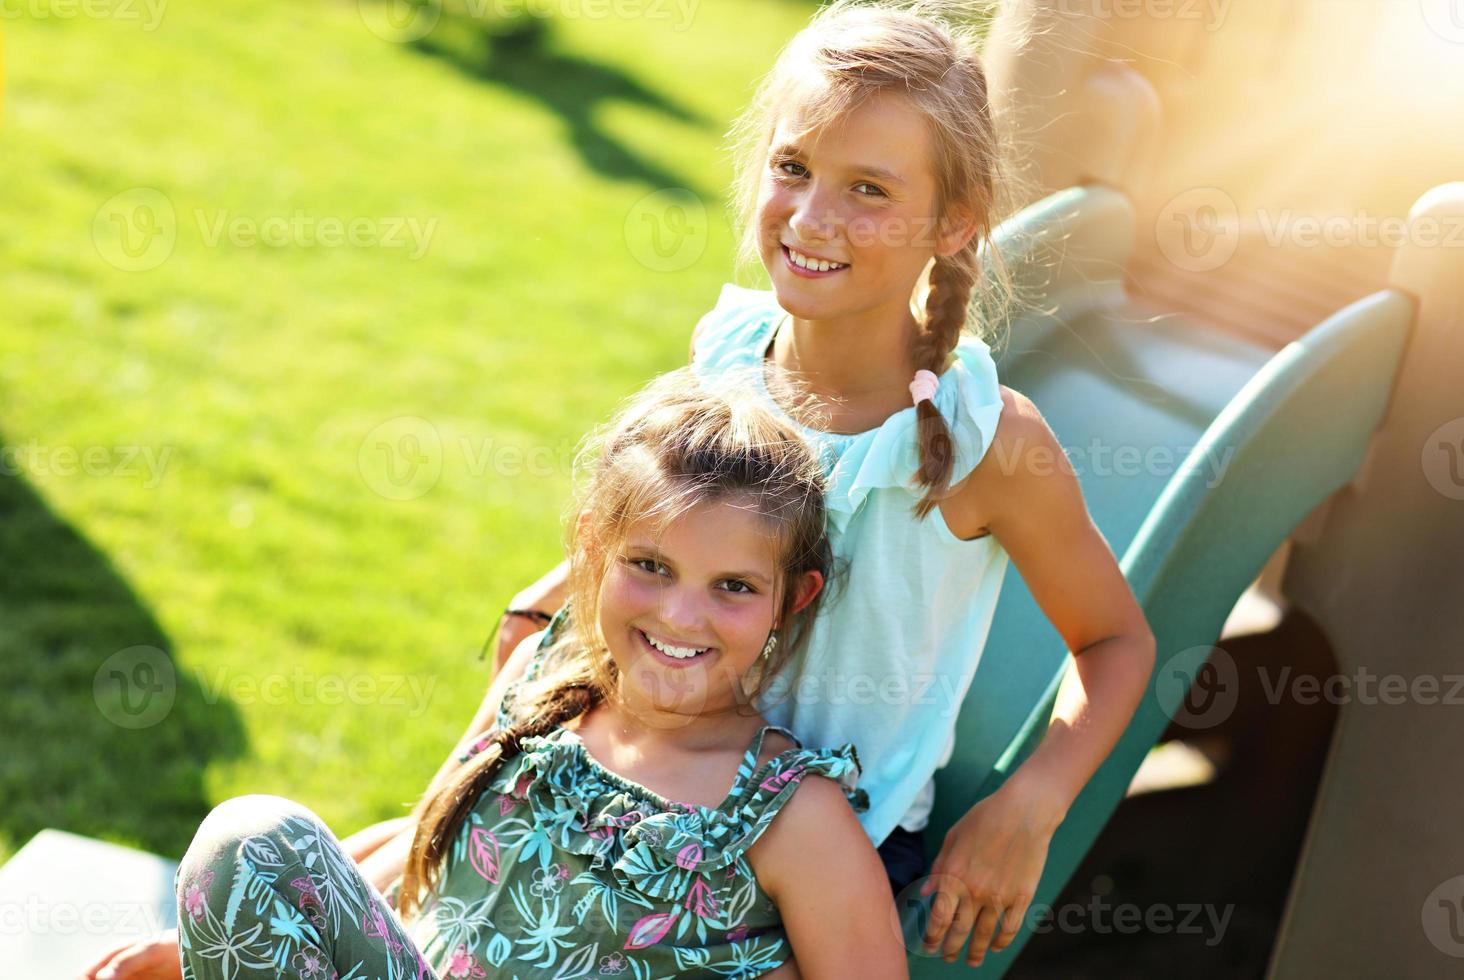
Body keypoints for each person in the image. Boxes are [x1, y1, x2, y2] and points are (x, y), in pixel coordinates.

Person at [478, 0, 1157, 969]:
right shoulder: (728, 355)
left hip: (817, 868)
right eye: (793, 168)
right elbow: (675, 535)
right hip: (653, 793)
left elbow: (1117, 639)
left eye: (868, 189)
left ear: (953, 222)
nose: (811, 216)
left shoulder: (983, 441)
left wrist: (1031, 801)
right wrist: (545, 600)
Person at [79, 369, 906, 979]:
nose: (681, 617)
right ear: (589, 548)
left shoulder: (787, 814)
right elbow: (416, 852)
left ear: (791, 601)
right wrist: (217, 939)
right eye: (650, 565)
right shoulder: (544, 689)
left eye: (733, 587)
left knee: (256, 833)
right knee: (251, 844)